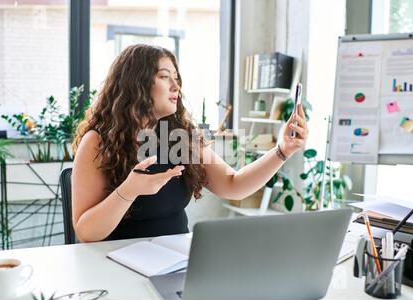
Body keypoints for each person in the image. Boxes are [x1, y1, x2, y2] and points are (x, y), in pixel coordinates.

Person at [72, 44, 308, 243]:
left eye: (176, 78)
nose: (176, 86)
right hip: (117, 264)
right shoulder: (98, 141)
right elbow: (85, 232)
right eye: (165, 77)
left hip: (176, 263)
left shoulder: (181, 135)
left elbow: (233, 185)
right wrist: (129, 190)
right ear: (136, 84)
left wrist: (282, 151)